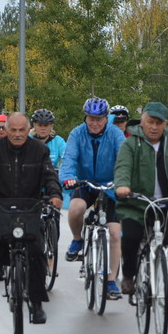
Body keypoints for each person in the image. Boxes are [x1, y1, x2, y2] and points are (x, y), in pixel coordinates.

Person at [114, 102, 168, 313]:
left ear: (165, 124)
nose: (154, 127)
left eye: (158, 123)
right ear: (142, 121)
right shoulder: (131, 144)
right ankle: (128, 275)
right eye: (150, 122)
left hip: (166, 203)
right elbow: (123, 166)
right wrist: (123, 186)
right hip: (137, 202)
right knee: (131, 238)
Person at [0, 112, 63, 324]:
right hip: (2, 202)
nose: (17, 134)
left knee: (35, 251)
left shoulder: (40, 150)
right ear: (5, 130)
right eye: (12, 130)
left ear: (28, 130)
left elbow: (49, 175)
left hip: (30, 204)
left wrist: (55, 195)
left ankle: (36, 303)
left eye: (21, 130)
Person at [60, 97, 126, 300]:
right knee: (76, 208)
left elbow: (124, 160)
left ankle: (111, 281)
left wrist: (124, 182)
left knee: (115, 233)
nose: (95, 123)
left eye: (99, 119)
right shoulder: (77, 134)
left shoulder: (115, 134)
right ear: (85, 117)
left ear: (106, 119)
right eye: (91, 118)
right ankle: (78, 240)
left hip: (111, 185)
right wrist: (69, 178)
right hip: (84, 182)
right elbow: (69, 158)